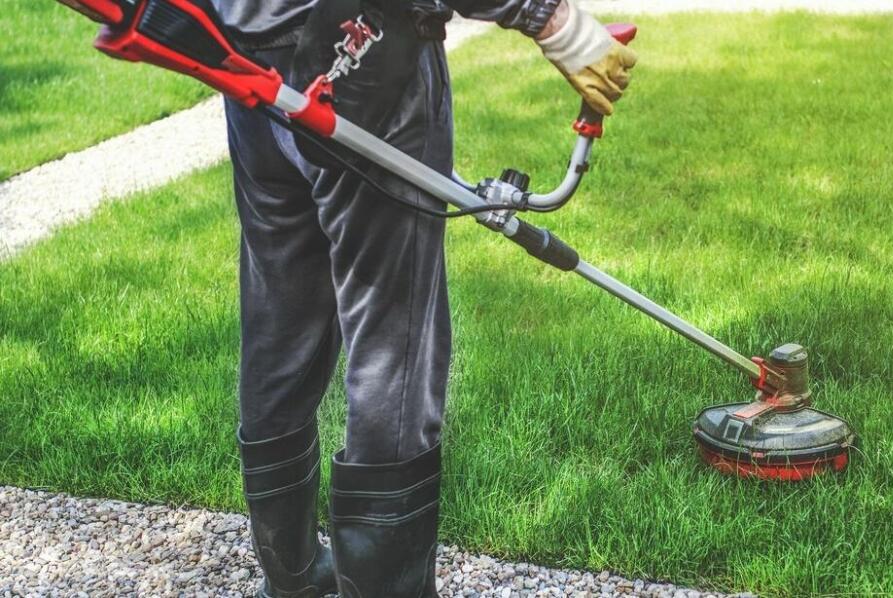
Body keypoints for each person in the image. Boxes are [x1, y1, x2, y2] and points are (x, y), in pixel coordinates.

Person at [209, 0, 636, 595]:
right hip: (369, 53)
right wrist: (553, 21)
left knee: (280, 322)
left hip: (251, 57)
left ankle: (295, 578)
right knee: (394, 343)